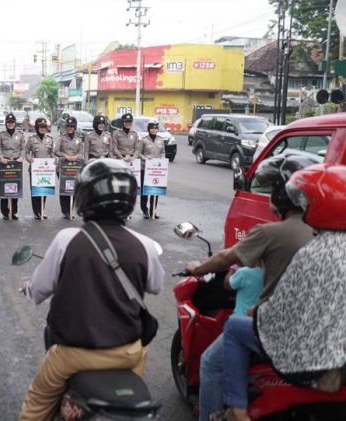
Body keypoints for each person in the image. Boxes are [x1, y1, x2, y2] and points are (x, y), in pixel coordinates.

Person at [19, 159, 163, 420]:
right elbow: (156, 285)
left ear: (84, 197)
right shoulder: (145, 245)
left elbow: (39, 291)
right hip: (127, 352)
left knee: (37, 401)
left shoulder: (67, 240)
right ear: (130, 199)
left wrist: (27, 288)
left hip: (73, 354)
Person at [186, 154, 319, 421]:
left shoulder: (269, 233)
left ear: (283, 194)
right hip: (315, 331)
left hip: (278, 332)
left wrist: (197, 268)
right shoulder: (323, 232)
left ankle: (222, 413)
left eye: (273, 189)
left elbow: (226, 258)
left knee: (211, 363)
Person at [221, 163, 346, 421]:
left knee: (234, 326)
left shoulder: (313, 253)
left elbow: (279, 313)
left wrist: (258, 312)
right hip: (339, 352)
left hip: (310, 361)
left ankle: (237, 410)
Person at [0, 112, 25, 220]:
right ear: (6, 123)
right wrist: (1, 158)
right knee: (4, 188)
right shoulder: (1, 135)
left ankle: (13, 211)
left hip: (16, 163)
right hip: (5, 163)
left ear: (15, 123)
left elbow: (23, 148)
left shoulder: (20, 135)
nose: (10, 124)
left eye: (12, 122)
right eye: (8, 122)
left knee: (14, 187)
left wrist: (21, 157)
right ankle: (5, 212)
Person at [25, 117, 55, 220]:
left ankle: (42, 210)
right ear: (37, 128)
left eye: (44, 127)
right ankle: (36, 211)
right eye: (40, 127)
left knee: (44, 190)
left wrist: (54, 159)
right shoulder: (31, 139)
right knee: (35, 191)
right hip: (35, 169)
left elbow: (52, 153)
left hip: (46, 170)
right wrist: (30, 159)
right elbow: (26, 153)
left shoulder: (49, 139)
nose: (42, 129)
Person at [54, 116, 84, 220]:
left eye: (72, 126)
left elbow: (82, 152)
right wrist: (65, 155)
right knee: (64, 188)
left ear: (75, 127)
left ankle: (71, 209)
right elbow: (56, 151)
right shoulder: (62, 138)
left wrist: (76, 156)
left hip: (75, 167)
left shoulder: (79, 139)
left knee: (74, 188)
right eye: (68, 126)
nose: (70, 128)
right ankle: (65, 210)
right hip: (63, 167)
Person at [139, 119, 165, 219]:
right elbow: (139, 153)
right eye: (152, 128)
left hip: (156, 169)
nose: (154, 130)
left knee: (155, 191)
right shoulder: (144, 140)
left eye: (155, 128)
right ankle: (144, 210)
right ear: (149, 129)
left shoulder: (160, 140)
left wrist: (162, 159)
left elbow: (163, 152)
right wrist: (145, 158)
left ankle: (153, 210)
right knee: (145, 191)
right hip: (145, 168)